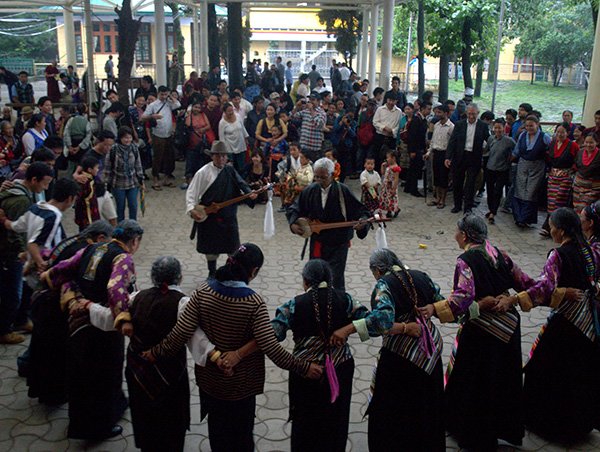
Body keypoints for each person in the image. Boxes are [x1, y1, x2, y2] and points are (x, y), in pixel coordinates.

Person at [145, 243, 322, 452]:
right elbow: (272, 348)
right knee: (241, 439)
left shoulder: (202, 291)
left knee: (218, 436)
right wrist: (304, 367)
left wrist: (154, 353)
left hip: (211, 384)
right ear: (253, 271)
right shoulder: (253, 302)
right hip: (241, 388)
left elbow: (179, 334)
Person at [418, 214, 526, 451]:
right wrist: (512, 299)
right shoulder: (500, 254)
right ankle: (502, 428)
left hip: (482, 332)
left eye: (456, 231)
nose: (454, 235)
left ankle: (474, 434)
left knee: (476, 383)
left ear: (465, 235)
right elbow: (525, 282)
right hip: (509, 328)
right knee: (502, 380)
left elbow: (462, 298)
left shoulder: (465, 260)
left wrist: (434, 309)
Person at [495, 208, 600, 442]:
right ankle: (579, 426)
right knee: (579, 372)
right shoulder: (589, 251)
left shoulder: (558, 255)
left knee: (548, 371)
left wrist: (514, 299)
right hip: (586, 323)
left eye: (551, 225)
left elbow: (543, 289)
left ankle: (552, 427)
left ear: (561, 230)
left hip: (566, 322)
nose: (549, 229)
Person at [330, 248, 445, 452]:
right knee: (428, 405)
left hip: (401, 357)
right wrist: (433, 310)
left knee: (394, 411)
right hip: (431, 351)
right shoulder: (421, 276)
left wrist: (350, 328)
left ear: (377, 269)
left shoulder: (384, 285)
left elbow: (381, 322)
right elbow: (440, 300)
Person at [39, 220, 144, 440]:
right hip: (101, 326)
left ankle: (79, 423)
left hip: (78, 322)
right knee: (105, 375)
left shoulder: (93, 247)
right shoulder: (123, 257)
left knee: (81, 374)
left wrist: (49, 276)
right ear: (134, 241)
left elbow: (67, 266)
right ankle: (100, 428)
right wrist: (123, 317)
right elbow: (115, 287)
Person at [263, 259, 368, 451]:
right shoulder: (346, 300)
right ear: (330, 279)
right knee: (336, 421)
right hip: (339, 370)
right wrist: (347, 329)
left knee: (305, 423)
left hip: (305, 372)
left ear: (305, 281)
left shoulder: (294, 305)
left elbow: (273, 334)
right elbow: (372, 322)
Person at [25, 221, 114, 404]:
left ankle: (43, 389)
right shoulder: (85, 251)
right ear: (100, 238)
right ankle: (54, 395)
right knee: (54, 352)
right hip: (53, 306)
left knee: (43, 347)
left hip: (43, 300)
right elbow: (71, 280)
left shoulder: (73, 241)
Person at [287, 158, 370, 290]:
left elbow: (361, 212)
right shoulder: (310, 191)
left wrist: (362, 222)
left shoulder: (343, 191)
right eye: (317, 177)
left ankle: (337, 306)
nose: (320, 180)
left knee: (335, 278)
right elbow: (294, 209)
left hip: (338, 243)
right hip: (318, 242)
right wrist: (293, 224)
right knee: (315, 278)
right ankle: (316, 305)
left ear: (332, 175)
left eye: (323, 177)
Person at [186, 141, 257, 279]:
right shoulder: (203, 173)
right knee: (211, 250)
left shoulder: (230, 170)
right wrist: (191, 209)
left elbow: (241, 184)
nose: (221, 159)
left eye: (224, 156)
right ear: (212, 157)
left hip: (228, 216)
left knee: (232, 248)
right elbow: (191, 193)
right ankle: (212, 272)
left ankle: (230, 272)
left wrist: (250, 193)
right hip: (210, 217)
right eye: (218, 156)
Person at [0, 162, 54, 344]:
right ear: (33, 180)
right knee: (12, 293)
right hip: (10, 254)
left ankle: (21, 320)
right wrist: (21, 251)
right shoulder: (20, 200)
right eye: (44, 184)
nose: (45, 188)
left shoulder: (23, 193)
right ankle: (4, 329)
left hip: (15, 251)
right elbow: (15, 230)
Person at [445, 103, 490, 214]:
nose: (471, 116)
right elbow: (452, 142)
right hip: (460, 156)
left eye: (473, 114)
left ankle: (468, 207)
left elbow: (489, 140)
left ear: (477, 114)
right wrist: (448, 157)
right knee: (457, 182)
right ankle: (457, 205)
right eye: (469, 114)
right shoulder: (459, 124)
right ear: (466, 113)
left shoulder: (482, 126)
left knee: (470, 184)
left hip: (474, 157)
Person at [511, 114, 551, 227]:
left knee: (531, 192)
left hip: (537, 166)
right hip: (523, 165)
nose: (529, 128)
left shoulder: (544, 136)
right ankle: (518, 217)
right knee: (520, 190)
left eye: (531, 126)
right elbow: (516, 151)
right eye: (527, 126)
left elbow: (552, 149)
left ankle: (526, 218)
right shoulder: (523, 135)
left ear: (537, 125)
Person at [540, 121, 580, 234]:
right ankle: (549, 226)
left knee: (559, 201)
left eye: (562, 132)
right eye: (558, 132)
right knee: (551, 201)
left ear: (568, 133)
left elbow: (578, 160)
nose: (560, 134)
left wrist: (571, 170)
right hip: (553, 176)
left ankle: (557, 227)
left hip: (565, 177)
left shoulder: (572, 145)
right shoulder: (553, 143)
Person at [141, 86, 180, 190]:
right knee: (158, 157)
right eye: (162, 94)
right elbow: (143, 117)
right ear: (158, 93)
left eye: (165, 94)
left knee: (169, 157)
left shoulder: (168, 103)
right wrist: (152, 116)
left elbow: (178, 104)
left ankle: (166, 179)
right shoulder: (153, 105)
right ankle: (155, 180)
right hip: (158, 134)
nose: (163, 96)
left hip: (168, 134)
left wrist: (171, 97)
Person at [104, 126, 144, 222]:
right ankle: (121, 226)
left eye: (129, 137)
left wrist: (141, 180)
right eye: (125, 138)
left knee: (133, 206)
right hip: (117, 183)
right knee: (120, 207)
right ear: (120, 138)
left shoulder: (134, 148)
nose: (127, 140)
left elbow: (138, 165)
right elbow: (108, 168)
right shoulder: (113, 150)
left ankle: (132, 225)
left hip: (132, 182)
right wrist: (105, 183)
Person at [485, 118, 516, 224]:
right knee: (489, 190)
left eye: (500, 128)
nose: (498, 130)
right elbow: (487, 151)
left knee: (498, 191)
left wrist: (510, 159)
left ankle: (493, 213)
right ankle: (490, 209)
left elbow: (516, 151)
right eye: (496, 127)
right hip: (490, 168)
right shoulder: (491, 139)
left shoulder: (509, 141)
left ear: (504, 128)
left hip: (502, 170)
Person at [426, 103, 454, 208]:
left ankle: (443, 199)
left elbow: (452, 144)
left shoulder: (451, 127)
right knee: (436, 177)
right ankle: (437, 197)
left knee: (444, 177)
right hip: (436, 153)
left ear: (446, 113)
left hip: (445, 154)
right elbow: (433, 141)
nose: (437, 114)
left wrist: (449, 157)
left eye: (439, 112)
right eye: (436, 112)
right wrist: (428, 152)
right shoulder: (436, 125)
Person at [183, 101, 214, 188]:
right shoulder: (190, 116)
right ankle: (187, 181)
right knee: (190, 162)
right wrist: (188, 113)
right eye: (195, 107)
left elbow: (208, 125)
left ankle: (198, 181)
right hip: (191, 142)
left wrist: (203, 129)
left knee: (200, 162)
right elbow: (188, 124)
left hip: (202, 142)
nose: (197, 109)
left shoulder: (203, 115)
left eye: (198, 108)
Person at [405, 100, 431, 197]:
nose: (429, 111)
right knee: (415, 169)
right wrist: (412, 151)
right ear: (422, 109)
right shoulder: (417, 120)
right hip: (415, 149)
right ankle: (413, 189)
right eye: (428, 109)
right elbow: (412, 136)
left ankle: (408, 187)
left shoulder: (423, 120)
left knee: (413, 168)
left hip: (419, 148)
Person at [372, 92, 401, 172]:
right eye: (389, 100)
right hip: (380, 136)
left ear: (396, 101)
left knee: (390, 157)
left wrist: (392, 131)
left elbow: (399, 125)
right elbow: (375, 122)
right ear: (386, 100)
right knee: (378, 157)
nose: (391, 102)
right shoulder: (380, 109)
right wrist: (384, 128)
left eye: (393, 101)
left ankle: (390, 174)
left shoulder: (398, 111)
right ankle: (378, 174)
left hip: (391, 138)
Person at [219, 102, 250, 174]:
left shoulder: (238, 116)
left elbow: (242, 128)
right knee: (232, 167)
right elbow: (221, 137)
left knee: (242, 166)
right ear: (224, 112)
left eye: (232, 110)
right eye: (229, 111)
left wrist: (246, 138)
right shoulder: (222, 123)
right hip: (229, 147)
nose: (231, 113)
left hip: (240, 144)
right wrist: (223, 150)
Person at [573, 132, 600, 213]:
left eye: (591, 142)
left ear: (597, 143)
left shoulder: (599, 154)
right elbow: (576, 165)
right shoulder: (580, 152)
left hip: (593, 187)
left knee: (584, 208)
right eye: (586, 142)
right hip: (578, 186)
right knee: (576, 207)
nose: (588, 145)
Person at [74, 156, 100, 231]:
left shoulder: (88, 180)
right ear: (89, 170)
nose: (98, 170)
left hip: (83, 216)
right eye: (96, 168)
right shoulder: (85, 182)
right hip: (87, 217)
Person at [331, 110, 357, 182]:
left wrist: (349, 127)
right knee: (335, 161)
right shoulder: (339, 119)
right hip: (337, 143)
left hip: (346, 145)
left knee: (344, 163)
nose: (349, 118)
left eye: (351, 117)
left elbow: (353, 135)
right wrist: (341, 122)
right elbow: (335, 129)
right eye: (348, 116)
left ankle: (342, 179)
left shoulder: (353, 123)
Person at [379, 149, 401, 218]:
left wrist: (394, 188)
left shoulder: (395, 168)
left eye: (388, 158)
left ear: (393, 158)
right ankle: (388, 210)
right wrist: (382, 166)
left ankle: (395, 209)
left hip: (391, 186)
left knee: (391, 198)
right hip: (386, 186)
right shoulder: (388, 166)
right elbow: (383, 173)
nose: (387, 159)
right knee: (387, 198)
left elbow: (396, 179)